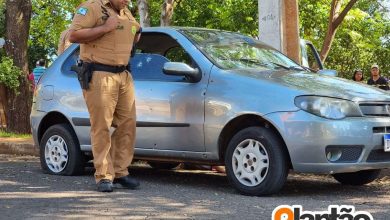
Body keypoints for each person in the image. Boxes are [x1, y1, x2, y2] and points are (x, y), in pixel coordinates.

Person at [68, 0, 142, 192]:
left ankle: (120, 172)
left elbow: (132, 33)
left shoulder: (125, 11)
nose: (128, 1)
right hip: (100, 73)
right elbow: (74, 35)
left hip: (124, 74)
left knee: (127, 124)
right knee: (101, 126)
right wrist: (104, 27)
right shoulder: (92, 7)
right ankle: (103, 175)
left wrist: (136, 33)